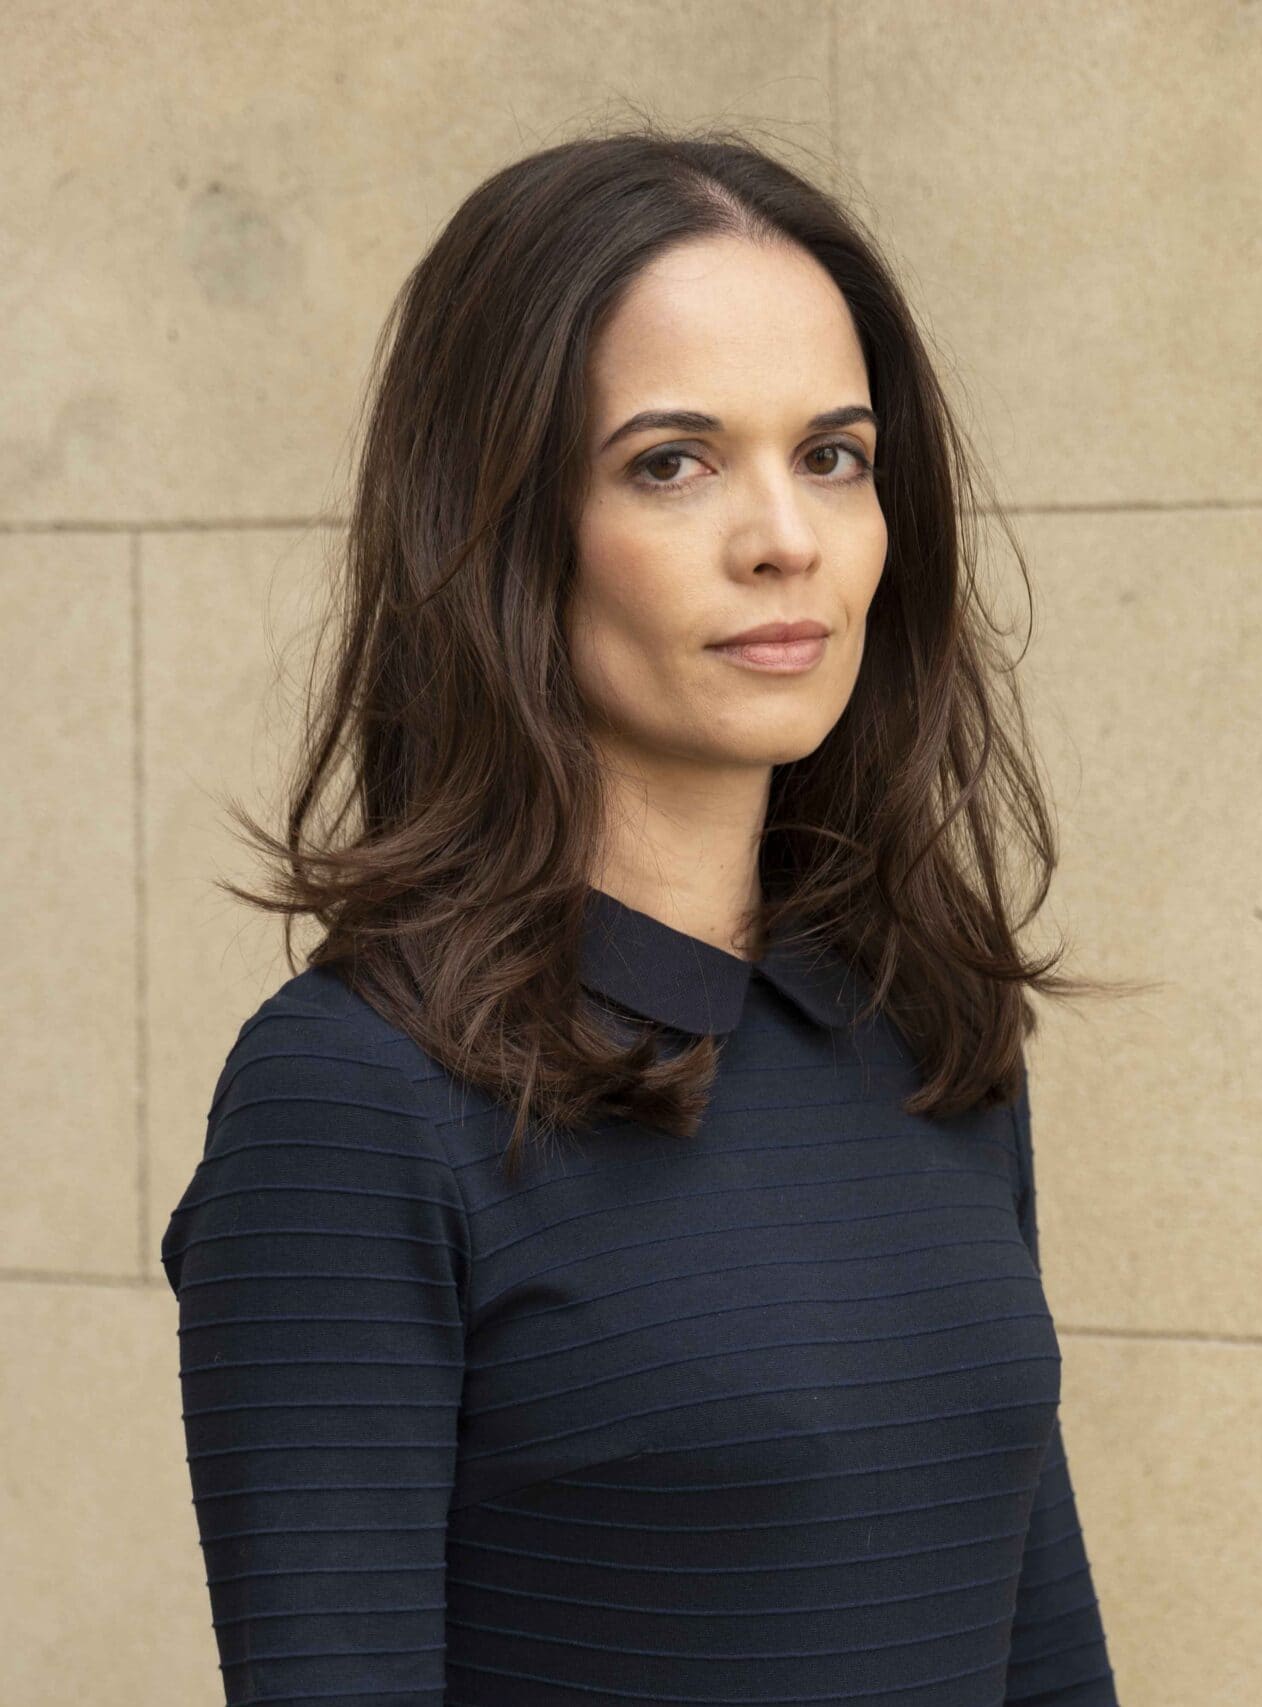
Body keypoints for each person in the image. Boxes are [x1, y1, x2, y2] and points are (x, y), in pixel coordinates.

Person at [160, 123, 1145, 1706]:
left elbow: (1044, 1660)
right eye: (672, 463)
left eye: (833, 456)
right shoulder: (352, 1099)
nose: (786, 540)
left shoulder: (923, 1027)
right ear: (500, 527)